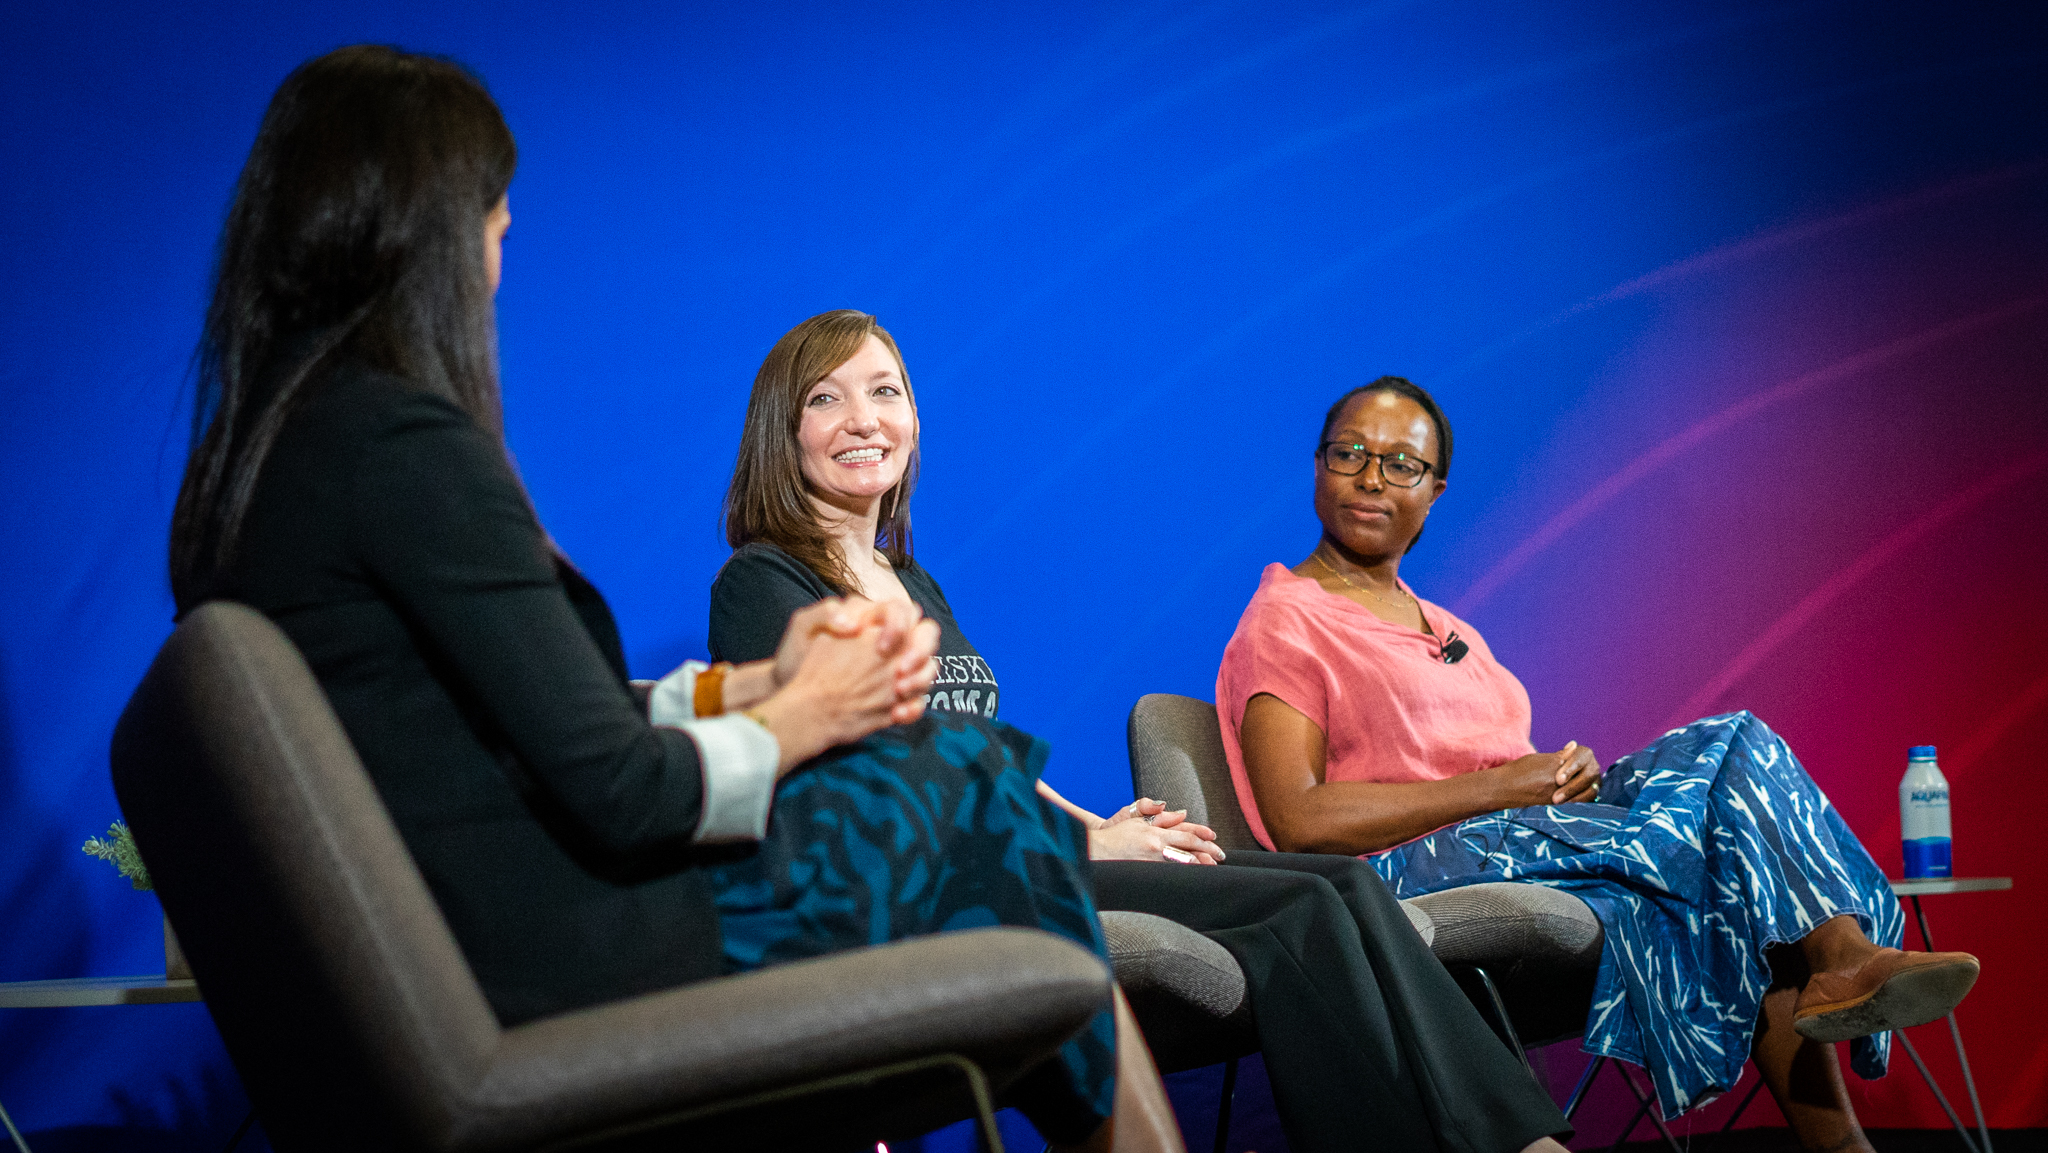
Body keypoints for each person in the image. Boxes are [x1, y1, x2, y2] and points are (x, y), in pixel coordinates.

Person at [166, 47, 1182, 1153]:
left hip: (491, 942)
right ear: (424, 230)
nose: (498, 261)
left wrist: (758, 681)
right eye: (495, 227)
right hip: (566, 957)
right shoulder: (406, 450)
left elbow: (517, 724)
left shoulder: (255, 470)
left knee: (967, 789)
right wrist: (808, 710)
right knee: (964, 783)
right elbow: (622, 791)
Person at [708, 310, 1577, 1153]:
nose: (863, 420)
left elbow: (982, 755)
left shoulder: (911, 582)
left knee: (1344, 888)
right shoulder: (761, 582)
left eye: (885, 391)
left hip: (1020, 855)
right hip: (939, 889)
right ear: (782, 433)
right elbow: (867, 785)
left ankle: (1519, 1138)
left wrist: (1102, 827)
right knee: (1305, 904)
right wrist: (1075, 851)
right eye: (826, 399)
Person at [1217, 375, 1984, 1149]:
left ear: (1436, 491)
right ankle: (1843, 1045)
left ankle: (1843, 958)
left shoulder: (1448, 627)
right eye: (1350, 453)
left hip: (1518, 838)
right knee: (1729, 858)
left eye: (1400, 463)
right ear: (1318, 465)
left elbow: (1506, 767)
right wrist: (1506, 785)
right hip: (1390, 880)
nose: (1372, 476)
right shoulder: (1288, 620)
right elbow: (1298, 818)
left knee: (1737, 744)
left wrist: (1560, 778)